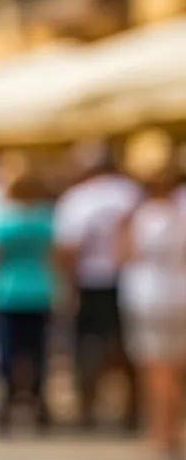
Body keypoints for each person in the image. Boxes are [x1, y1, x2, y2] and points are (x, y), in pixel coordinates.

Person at [54, 141, 143, 432]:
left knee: (88, 346)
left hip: (91, 280)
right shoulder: (131, 192)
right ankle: (133, 408)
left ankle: (87, 407)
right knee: (126, 346)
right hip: (129, 279)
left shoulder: (78, 198)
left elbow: (69, 247)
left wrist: (68, 284)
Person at [0, 170, 60, 435]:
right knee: (37, 350)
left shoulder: (4, 221)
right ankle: (38, 401)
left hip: (7, 291)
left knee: (6, 349)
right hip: (39, 289)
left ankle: (6, 401)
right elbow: (59, 254)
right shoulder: (46, 220)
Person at [118, 167, 186, 460]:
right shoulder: (180, 214)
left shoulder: (142, 216)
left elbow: (125, 252)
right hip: (179, 292)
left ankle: (162, 431)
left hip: (147, 295)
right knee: (175, 366)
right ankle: (171, 427)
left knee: (156, 368)